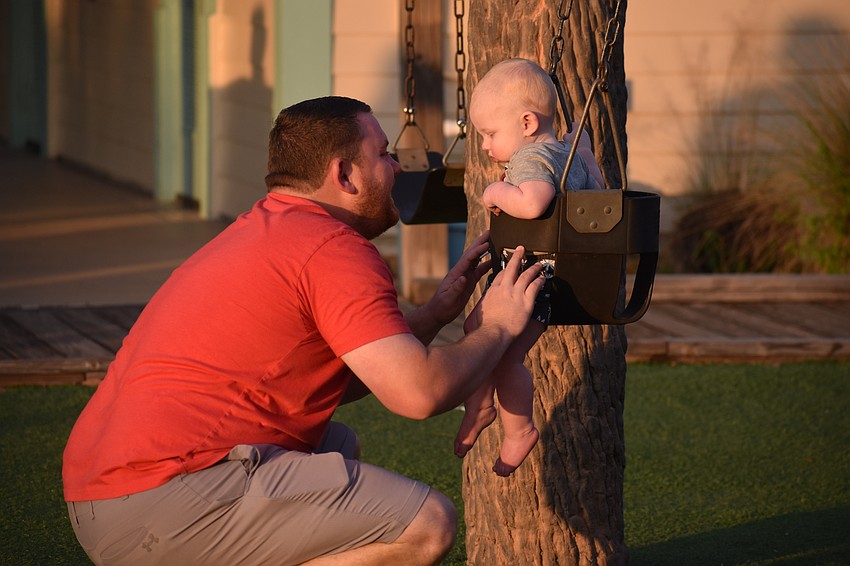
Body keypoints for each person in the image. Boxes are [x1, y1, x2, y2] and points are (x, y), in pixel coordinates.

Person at [62, 96, 546, 566]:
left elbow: (324, 382)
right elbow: (416, 395)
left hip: (106, 494)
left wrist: (434, 316)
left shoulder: (264, 229)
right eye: (382, 154)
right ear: (344, 174)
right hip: (160, 500)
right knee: (426, 525)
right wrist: (500, 325)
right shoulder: (332, 247)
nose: (396, 167)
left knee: (336, 445)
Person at [454, 58, 602, 477]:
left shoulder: (532, 159)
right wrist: (588, 155)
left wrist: (497, 189)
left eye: (490, 134)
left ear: (526, 123)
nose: (485, 146)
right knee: (475, 334)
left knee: (505, 357)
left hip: (531, 282)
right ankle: (481, 405)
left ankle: (518, 430)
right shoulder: (570, 156)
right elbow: (599, 198)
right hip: (555, 277)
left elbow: (534, 202)